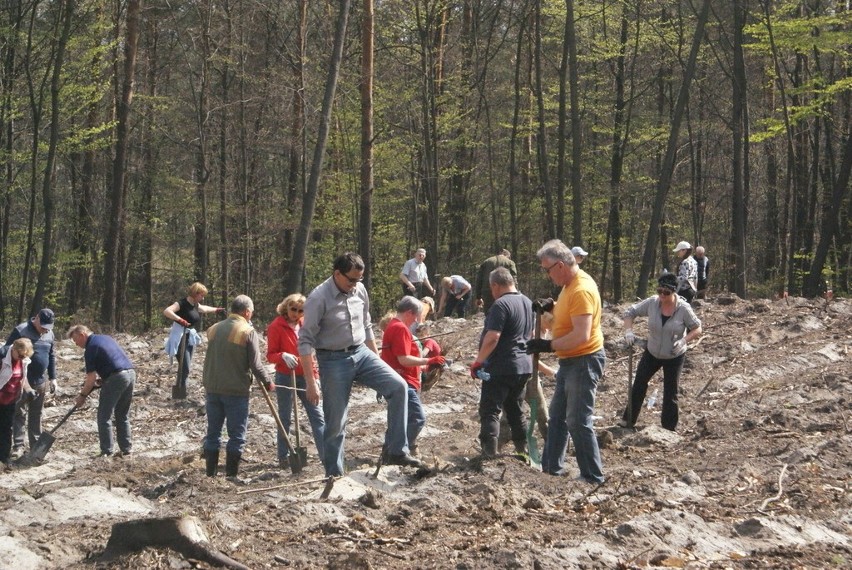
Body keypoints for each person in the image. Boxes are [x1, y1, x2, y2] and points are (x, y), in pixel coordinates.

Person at [300, 252, 424, 477]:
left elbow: (367, 326)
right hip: (332, 359)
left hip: (362, 352)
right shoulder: (318, 298)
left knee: (398, 386)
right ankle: (334, 474)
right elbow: (305, 341)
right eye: (351, 280)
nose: (356, 285)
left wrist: (378, 361)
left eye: (359, 280)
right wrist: (311, 381)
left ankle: (397, 450)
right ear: (337, 274)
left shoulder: (360, 290)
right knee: (336, 421)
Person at [526, 239, 606, 484]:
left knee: (577, 420)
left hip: (584, 361)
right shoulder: (569, 286)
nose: (547, 275)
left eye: (548, 269)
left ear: (560, 265)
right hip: (570, 362)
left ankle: (592, 476)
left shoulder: (581, 289)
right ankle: (551, 469)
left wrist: (548, 345)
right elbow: (567, 315)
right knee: (558, 416)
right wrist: (552, 307)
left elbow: (580, 335)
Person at [200, 295, 273, 478]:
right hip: (235, 390)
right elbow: (255, 364)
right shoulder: (247, 331)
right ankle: (231, 475)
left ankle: (211, 474)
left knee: (213, 433)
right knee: (236, 435)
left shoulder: (213, 329)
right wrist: (268, 381)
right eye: (252, 312)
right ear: (247, 312)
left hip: (212, 387)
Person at [620, 273, 703, 431]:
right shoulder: (652, 302)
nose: (662, 296)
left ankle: (668, 428)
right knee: (639, 384)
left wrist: (684, 340)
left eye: (666, 293)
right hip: (652, 352)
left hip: (674, 354)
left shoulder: (683, 308)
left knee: (671, 391)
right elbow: (629, 312)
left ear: (674, 292)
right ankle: (628, 419)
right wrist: (628, 331)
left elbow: (697, 327)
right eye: (660, 291)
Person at [469, 267, 533, 458]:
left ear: (495, 285)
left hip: (501, 366)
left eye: (491, 288)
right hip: (523, 365)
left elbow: (492, 337)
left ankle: (489, 453)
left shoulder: (500, 305)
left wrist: (478, 362)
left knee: (490, 410)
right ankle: (523, 450)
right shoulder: (527, 302)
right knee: (516, 409)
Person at [380, 296, 445, 456]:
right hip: (404, 382)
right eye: (417, 316)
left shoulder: (394, 326)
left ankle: (389, 452)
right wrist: (429, 359)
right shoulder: (400, 328)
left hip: (404, 380)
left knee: (399, 419)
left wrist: (427, 364)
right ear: (409, 313)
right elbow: (403, 359)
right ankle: (399, 452)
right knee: (417, 418)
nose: (417, 321)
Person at [266, 294, 325, 468]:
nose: (296, 313)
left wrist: (314, 378)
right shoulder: (276, 326)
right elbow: (270, 355)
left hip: (305, 376)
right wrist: (282, 356)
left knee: (317, 415)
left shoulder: (305, 324)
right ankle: (284, 456)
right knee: (285, 417)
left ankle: (326, 454)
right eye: (293, 309)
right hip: (285, 376)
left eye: (300, 310)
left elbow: (311, 354)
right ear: (286, 307)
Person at [70, 325, 136, 457]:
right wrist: (105, 379)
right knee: (122, 414)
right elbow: (112, 359)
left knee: (104, 416)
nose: (77, 344)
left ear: (82, 334)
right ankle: (126, 449)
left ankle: (106, 451)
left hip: (117, 377)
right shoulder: (105, 338)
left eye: (76, 340)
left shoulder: (90, 348)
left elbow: (91, 378)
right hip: (130, 373)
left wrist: (82, 396)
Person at [4, 308, 57, 457]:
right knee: (19, 413)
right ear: (37, 318)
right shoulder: (21, 331)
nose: (45, 330)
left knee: (37, 414)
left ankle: (35, 446)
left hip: (41, 381)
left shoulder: (49, 334)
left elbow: (52, 355)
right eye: (43, 326)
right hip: (21, 380)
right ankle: (18, 446)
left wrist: (53, 377)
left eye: (48, 328)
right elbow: (7, 351)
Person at [163, 282, 225, 395]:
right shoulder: (181, 303)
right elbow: (167, 311)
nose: (203, 297)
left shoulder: (195, 304)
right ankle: (179, 393)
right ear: (195, 293)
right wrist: (179, 320)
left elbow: (204, 309)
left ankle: (182, 390)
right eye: (201, 295)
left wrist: (216, 309)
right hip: (180, 337)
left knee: (185, 367)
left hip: (189, 337)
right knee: (185, 366)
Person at [0, 339, 34, 465]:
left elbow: (22, 378)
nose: (21, 358)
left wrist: (29, 389)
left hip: (10, 400)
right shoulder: (2, 356)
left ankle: (4, 458)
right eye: (20, 355)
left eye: (24, 356)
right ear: (13, 349)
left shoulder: (23, 360)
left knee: (6, 428)